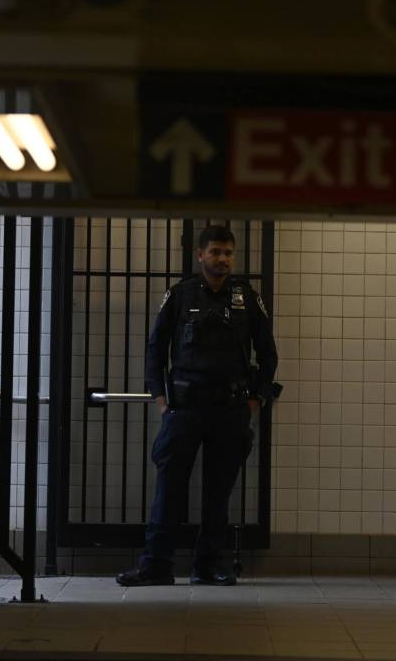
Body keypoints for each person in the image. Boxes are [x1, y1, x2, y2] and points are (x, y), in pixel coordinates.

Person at [116, 225, 278, 587]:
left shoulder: (246, 297)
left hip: (230, 408)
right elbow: (155, 348)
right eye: (216, 252)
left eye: (228, 253)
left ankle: (207, 566)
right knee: (169, 489)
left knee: (217, 493)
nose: (222, 259)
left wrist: (256, 399)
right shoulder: (180, 294)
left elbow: (267, 352)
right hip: (184, 408)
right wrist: (160, 396)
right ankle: (156, 565)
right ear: (200, 255)